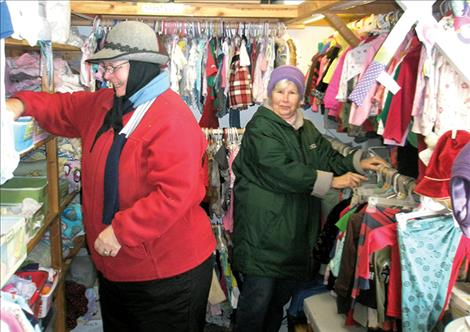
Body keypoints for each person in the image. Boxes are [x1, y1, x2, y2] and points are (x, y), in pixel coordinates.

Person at [5, 21, 216, 332]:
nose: (104, 75)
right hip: (120, 270)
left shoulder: (171, 117)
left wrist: (120, 231)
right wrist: (18, 103)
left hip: (167, 277)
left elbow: (177, 193)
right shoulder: (108, 104)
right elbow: (61, 107)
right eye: (103, 67)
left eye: (112, 67)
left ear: (142, 65)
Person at [231, 65, 387, 332]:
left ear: (301, 97)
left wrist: (359, 162)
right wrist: (332, 181)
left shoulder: (307, 130)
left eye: (292, 92)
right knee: (255, 306)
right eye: (279, 91)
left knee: (274, 304)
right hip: (262, 236)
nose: (285, 98)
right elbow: (280, 170)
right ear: (269, 94)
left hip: (291, 236)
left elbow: (327, 156)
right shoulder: (261, 128)